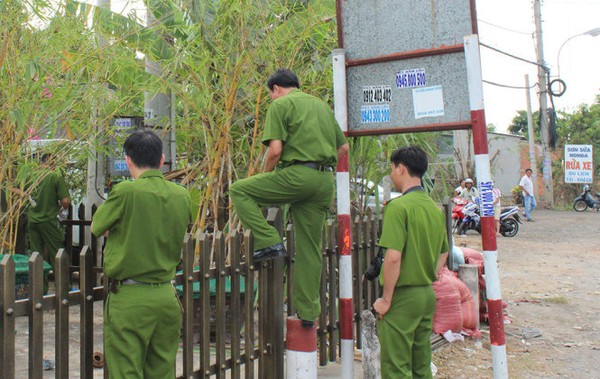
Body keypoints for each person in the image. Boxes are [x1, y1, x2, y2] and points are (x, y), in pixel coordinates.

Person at [229, 68, 349, 327]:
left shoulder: (280, 104)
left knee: (240, 190)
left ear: (276, 89)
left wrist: (266, 177)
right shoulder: (321, 106)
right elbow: (343, 147)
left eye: (271, 94)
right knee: (309, 248)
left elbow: (274, 151)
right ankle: (308, 312)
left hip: (297, 176)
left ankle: (269, 240)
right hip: (323, 181)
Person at [91, 129, 192, 378]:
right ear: (161, 160)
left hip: (130, 298)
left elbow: (97, 227)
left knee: (126, 372)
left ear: (127, 160)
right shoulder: (182, 195)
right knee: (161, 372)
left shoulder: (126, 192)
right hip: (166, 297)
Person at [372, 146, 449, 378]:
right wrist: (427, 275)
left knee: (396, 368)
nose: (392, 175)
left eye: (392, 169)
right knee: (421, 366)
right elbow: (444, 253)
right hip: (426, 294)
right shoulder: (433, 209)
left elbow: (393, 257)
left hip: (403, 298)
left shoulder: (398, 207)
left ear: (401, 168)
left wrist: (386, 300)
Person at [28, 153, 70, 269]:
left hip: (32, 220)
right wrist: (63, 209)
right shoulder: (55, 176)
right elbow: (65, 200)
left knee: (36, 255)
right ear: (53, 163)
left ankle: (40, 286)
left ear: (41, 162)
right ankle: (63, 284)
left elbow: (19, 191)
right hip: (49, 219)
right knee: (57, 253)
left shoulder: (30, 176)